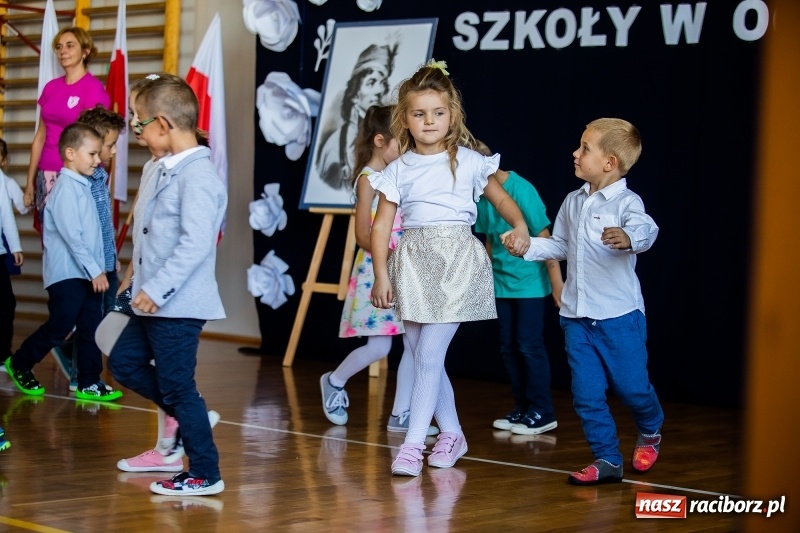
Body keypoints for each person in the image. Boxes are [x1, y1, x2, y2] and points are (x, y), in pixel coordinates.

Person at [368, 59, 531, 477]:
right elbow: (382, 225)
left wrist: (519, 225)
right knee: (424, 356)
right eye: (419, 114)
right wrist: (382, 274)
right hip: (413, 263)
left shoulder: (471, 162)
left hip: (457, 261)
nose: (429, 121)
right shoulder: (398, 168)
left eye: (438, 113)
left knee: (428, 355)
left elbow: (502, 200)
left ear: (452, 115)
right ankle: (453, 433)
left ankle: (411, 445)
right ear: (405, 119)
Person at [504, 118, 663, 485]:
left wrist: (629, 237)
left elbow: (646, 229)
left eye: (585, 148)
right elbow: (560, 245)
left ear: (609, 162)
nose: (575, 153)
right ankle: (607, 458)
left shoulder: (627, 202)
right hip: (577, 317)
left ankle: (651, 426)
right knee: (587, 395)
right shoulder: (573, 201)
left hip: (619, 317)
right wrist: (526, 246)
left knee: (632, 388)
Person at [109, 74, 227, 496]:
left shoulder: (200, 177)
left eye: (138, 121)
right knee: (123, 363)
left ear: (162, 123)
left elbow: (195, 244)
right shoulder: (156, 168)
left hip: (178, 305)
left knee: (179, 386)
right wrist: (131, 280)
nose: (134, 129)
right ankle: (189, 417)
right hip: (148, 298)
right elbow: (147, 236)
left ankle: (205, 473)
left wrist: (156, 290)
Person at [321, 104, 437, 437]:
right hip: (379, 270)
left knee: (414, 345)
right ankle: (334, 381)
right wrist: (395, 251)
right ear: (379, 141)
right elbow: (362, 235)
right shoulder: (368, 180)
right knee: (379, 348)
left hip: (404, 271)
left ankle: (401, 414)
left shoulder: (395, 176)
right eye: (402, 143)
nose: (407, 151)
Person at [4, 123, 122, 401]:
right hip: (68, 275)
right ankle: (20, 363)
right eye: (92, 154)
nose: (98, 160)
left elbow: (93, 234)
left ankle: (88, 381)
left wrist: (101, 267)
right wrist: (95, 271)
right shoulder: (66, 188)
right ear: (70, 153)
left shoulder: (84, 186)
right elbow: (73, 238)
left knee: (91, 327)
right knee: (61, 325)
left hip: (89, 274)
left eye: (98, 154)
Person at [22, 27, 109, 382]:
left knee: (80, 239)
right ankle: (62, 322)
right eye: (58, 46)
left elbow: (100, 139)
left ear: (85, 50)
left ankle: (72, 334)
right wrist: (29, 182)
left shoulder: (93, 89)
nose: (63, 51)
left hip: (77, 174)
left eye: (70, 45)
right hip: (48, 175)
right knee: (57, 247)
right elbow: (40, 136)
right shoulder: (51, 88)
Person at [473, 141, 564, 436]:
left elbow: (545, 237)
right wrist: (484, 280)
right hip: (501, 284)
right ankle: (522, 408)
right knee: (509, 347)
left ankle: (543, 411)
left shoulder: (521, 190)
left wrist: (557, 284)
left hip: (529, 284)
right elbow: (490, 239)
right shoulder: (481, 195)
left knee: (528, 345)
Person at [316, 42, 397, 190]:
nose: (379, 90)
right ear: (354, 95)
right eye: (371, 82)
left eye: (383, 83)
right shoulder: (334, 146)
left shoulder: (392, 137)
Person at [1, 138, 24, 363]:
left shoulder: (3, 181)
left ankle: (3, 353)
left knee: (6, 304)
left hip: (1, 251)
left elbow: (8, 215)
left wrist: (15, 246)